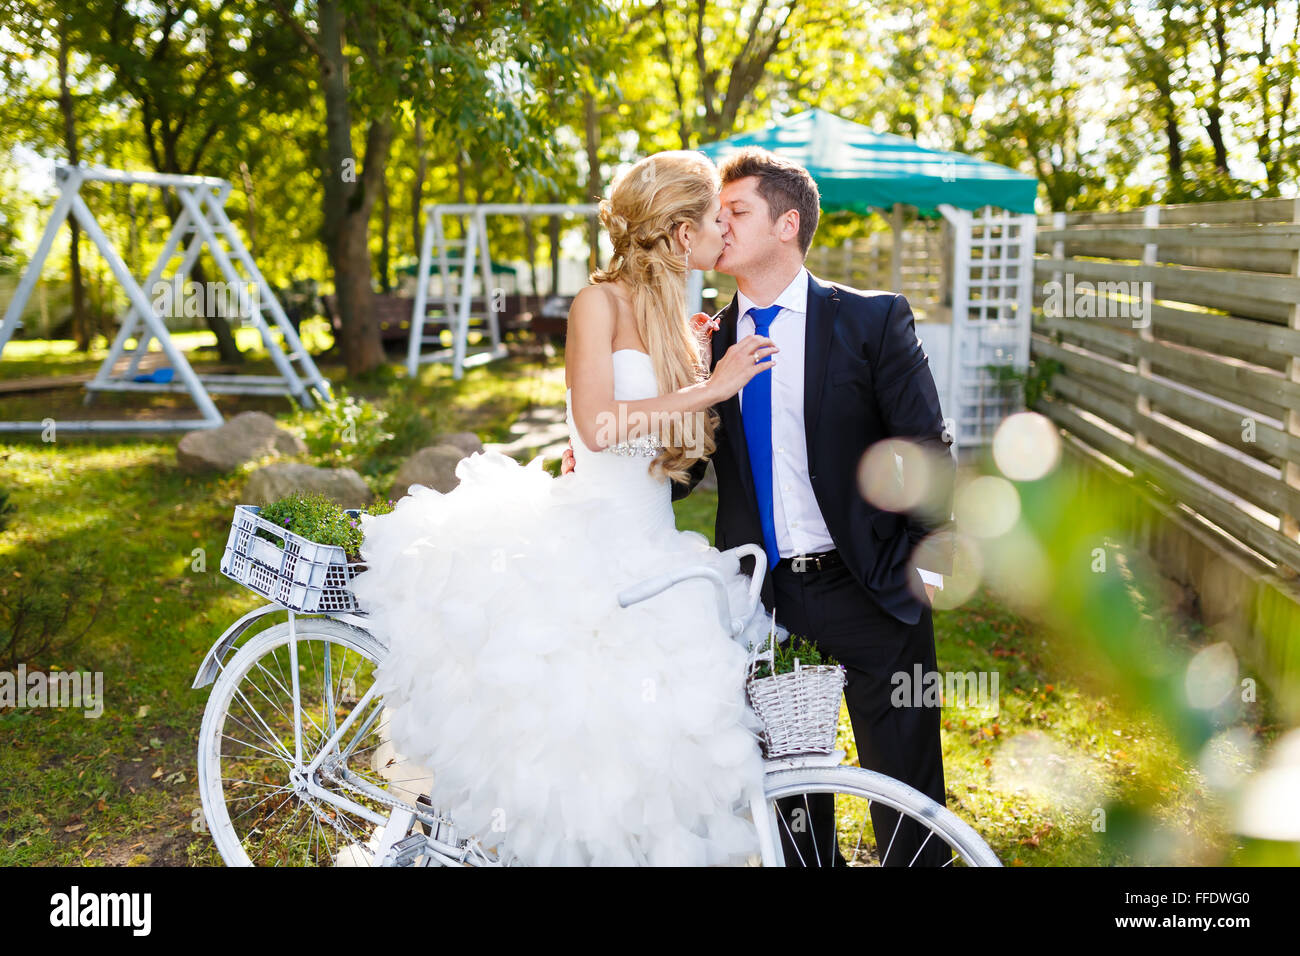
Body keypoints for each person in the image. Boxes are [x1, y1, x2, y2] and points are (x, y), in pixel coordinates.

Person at [349, 150, 788, 867]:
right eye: (715, 217)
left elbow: (663, 441)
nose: (724, 230)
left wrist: (695, 367)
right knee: (574, 729)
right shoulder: (599, 302)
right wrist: (708, 390)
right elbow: (598, 427)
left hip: (650, 540)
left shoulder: (674, 311)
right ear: (680, 231)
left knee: (650, 743)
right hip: (585, 541)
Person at [565, 146, 957, 866]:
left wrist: (930, 567)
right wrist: (613, 462)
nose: (718, 223)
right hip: (765, 603)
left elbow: (924, 445)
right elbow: (690, 457)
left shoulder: (871, 321)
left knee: (909, 800)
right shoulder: (703, 339)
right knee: (793, 813)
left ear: (786, 224)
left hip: (875, 589)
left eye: (734, 211)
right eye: (714, 212)